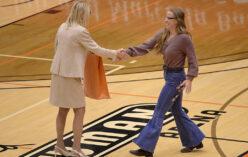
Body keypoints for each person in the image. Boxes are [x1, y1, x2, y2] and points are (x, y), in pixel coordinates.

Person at [125, 8, 205, 157]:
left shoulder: (184, 38)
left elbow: (193, 60)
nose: (165, 20)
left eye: (168, 18)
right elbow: (145, 46)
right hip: (168, 75)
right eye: (166, 17)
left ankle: (146, 148)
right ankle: (195, 140)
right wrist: (128, 52)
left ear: (176, 21)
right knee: (177, 111)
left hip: (176, 79)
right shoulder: (163, 33)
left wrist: (189, 79)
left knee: (159, 112)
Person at [49, 1, 125, 157]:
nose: (90, 15)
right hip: (70, 76)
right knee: (80, 110)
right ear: (82, 13)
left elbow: (58, 47)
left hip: (56, 73)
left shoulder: (63, 26)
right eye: (88, 12)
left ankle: (59, 145)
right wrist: (115, 53)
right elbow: (95, 48)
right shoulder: (80, 31)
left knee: (62, 110)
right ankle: (76, 148)